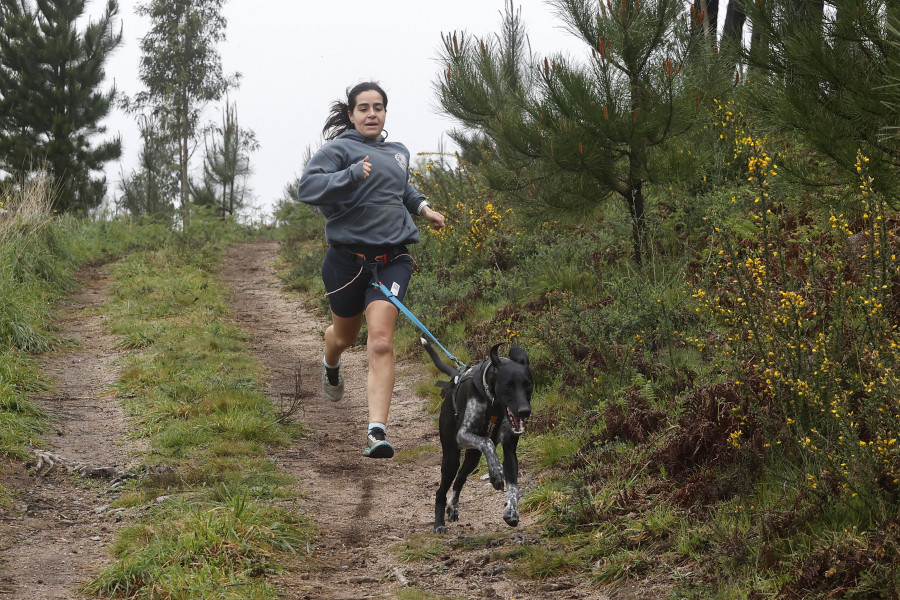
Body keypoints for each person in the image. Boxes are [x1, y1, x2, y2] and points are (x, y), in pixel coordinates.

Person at [297, 82, 446, 459]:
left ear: (385, 113)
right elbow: (308, 187)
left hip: (391, 260)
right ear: (351, 114)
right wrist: (349, 175)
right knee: (344, 337)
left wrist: (424, 207)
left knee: (380, 340)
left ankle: (375, 432)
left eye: (378, 107)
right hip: (346, 262)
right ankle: (331, 362)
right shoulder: (339, 150)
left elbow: (399, 189)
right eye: (363, 108)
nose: (371, 114)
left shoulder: (398, 152)